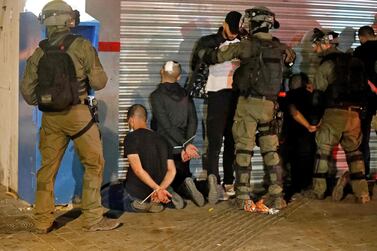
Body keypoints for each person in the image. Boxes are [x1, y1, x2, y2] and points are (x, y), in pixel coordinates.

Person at [20, 0, 120, 233]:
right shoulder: (82, 45)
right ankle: (93, 218)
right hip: (79, 116)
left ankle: (43, 221)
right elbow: (100, 82)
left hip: (50, 119)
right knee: (94, 164)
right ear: (67, 20)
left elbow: (27, 92)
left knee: (47, 169)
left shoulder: (39, 52)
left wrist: (46, 100)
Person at [201, 6, 296, 210]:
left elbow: (216, 56)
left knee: (243, 150)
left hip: (249, 104)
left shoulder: (247, 45)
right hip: (271, 106)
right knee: (271, 151)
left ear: (253, 24)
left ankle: (243, 195)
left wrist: (206, 53)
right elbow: (290, 59)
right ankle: (277, 196)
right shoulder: (280, 47)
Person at [310, 27, 370, 203]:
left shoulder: (327, 65)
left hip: (333, 114)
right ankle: (362, 194)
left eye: (315, 45)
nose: (314, 49)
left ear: (325, 43)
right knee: (355, 154)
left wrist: (314, 120)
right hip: (355, 116)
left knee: (323, 152)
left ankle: (318, 192)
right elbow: (365, 91)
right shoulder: (354, 62)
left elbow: (317, 95)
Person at [189, 11, 242, 204]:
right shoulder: (208, 41)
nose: (234, 34)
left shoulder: (243, 42)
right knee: (214, 142)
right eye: (231, 30)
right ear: (224, 24)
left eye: (237, 31)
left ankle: (229, 182)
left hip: (236, 95)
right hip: (216, 95)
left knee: (232, 142)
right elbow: (196, 63)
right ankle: (214, 182)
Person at [103, 104, 184, 212]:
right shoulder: (163, 139)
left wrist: (157, 189)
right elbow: (172, 171)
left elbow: (138, 170)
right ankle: (161, 200)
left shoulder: (131, 138)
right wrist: (160, 189)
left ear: (131, 120)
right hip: (154, 194)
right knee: (116, 187)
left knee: (103, 195)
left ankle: (134, 205)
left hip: (136, 193)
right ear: (145, 119)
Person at [150, 61, 205, 207]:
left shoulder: (156, 96)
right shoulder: (186, 94)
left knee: (167, 178)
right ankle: (189, 185)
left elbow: (165, 125)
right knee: (184, 175)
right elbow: (193, 120)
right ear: (179, 77)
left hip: (166, 147)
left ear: (162, 72)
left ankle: (173, 194)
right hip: (184, 148)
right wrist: (187, 143)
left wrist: (183, 144)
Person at [283, 73, 324, 199]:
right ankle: (307, 187)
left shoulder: (289, 96)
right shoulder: (314, 95)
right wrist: (314, 126)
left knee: (294, 164)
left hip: (293, 137)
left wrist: (307, 126)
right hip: (309, 138)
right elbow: (322, 112)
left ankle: (295, 188)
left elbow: (293, 112)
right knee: (308, 162)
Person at [353, 25, 377, 180]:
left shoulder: (360, 51)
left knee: (364, 138)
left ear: (362, 37)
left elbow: (358, 76)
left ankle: (365, 172)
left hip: (368, 101)